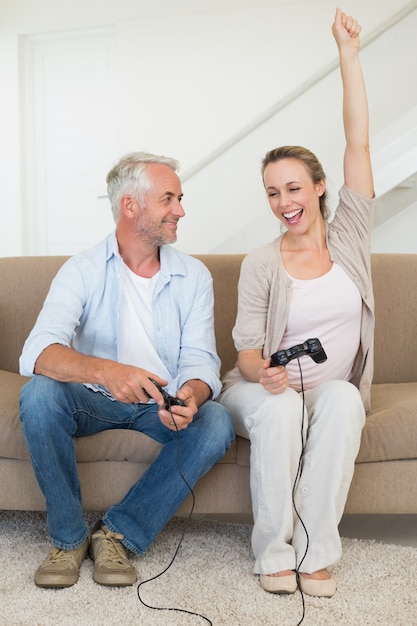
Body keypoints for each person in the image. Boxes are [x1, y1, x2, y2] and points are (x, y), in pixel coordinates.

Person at [19, 152, 234, 589]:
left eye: (180, 197)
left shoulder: (194, 276)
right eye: (168, 198)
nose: (181, 209)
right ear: (130, 206)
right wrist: (106, 372)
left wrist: (192, 394)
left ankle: (118, 532)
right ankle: (67, 538)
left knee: (217, 422)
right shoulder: (81, 269)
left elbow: (200, 361)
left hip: (160, 403)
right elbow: (38, 352)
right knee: (39, 395)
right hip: (95, 400)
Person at [219, 8, 374, 598]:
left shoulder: (351, 237)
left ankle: (315, 553)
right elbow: (248, 354)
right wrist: (269, 375)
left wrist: (348, 54)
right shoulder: (262, 262)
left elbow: (357, 139)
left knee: (343, 401)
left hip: (325, 388)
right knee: (282, 410)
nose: (284, 201)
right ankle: (273, 553)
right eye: (272, 193)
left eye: (293, 188)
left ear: (319, 187)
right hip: (264, 391)